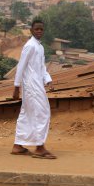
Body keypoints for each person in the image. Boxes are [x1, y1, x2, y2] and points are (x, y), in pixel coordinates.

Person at [11, 19, 56, 159]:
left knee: (27, 113)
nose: (39, 31)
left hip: (38, 84)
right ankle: (40, 147)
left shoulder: (40, 47)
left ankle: (18, 145)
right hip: (31, 85)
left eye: (41, 29)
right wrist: (16, 87)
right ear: (31, 30)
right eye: (36, 29)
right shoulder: (29, 46)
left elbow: (42, 68)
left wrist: (48, 81)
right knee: (42, 113)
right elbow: (21, 67)